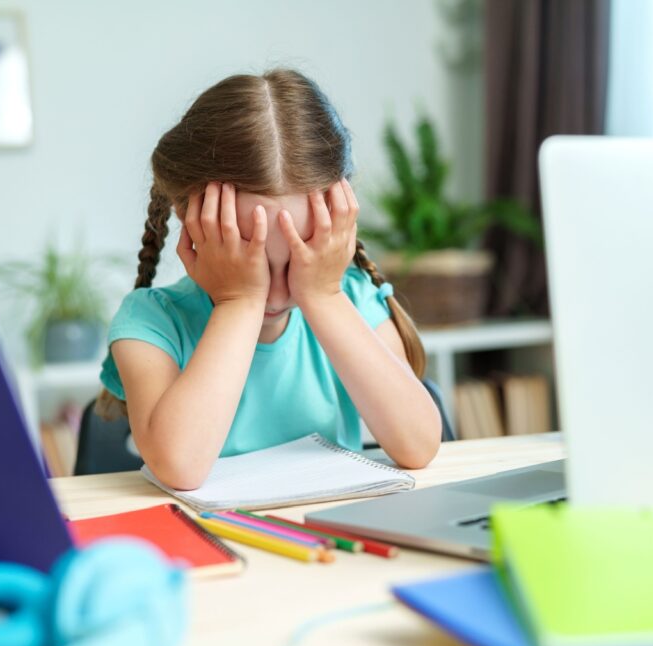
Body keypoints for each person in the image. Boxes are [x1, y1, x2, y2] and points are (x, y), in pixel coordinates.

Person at [97, 69, 441, 490]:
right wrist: (239, 300)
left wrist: (324, 295)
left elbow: (419, 445)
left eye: (299, 262)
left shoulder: (349, 300)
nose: (275, 293)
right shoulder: (150, 322)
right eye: (250, 261)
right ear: (190, 225)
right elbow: (180, 467)